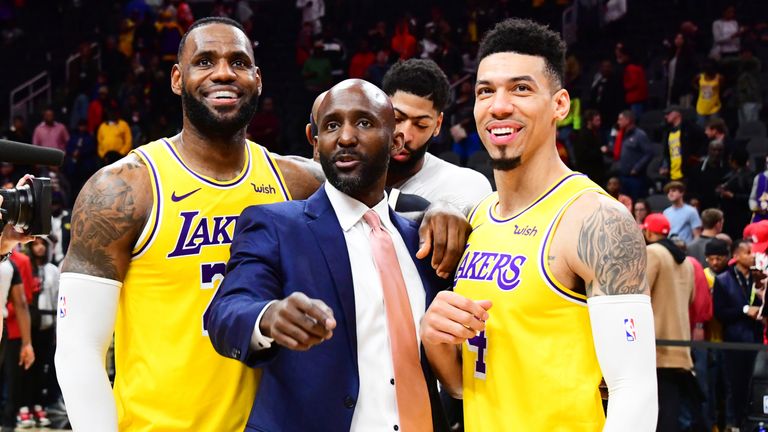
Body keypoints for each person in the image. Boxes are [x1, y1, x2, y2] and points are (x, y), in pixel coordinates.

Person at [55, 17, 464, 432]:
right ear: (178, 78)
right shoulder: (124, 188)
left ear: (258, 79)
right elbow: (78, 351)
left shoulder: (295, 181)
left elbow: (377, 197)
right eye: (205, 61)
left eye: (238, 62)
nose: (223, 73)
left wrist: (441, 207)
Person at [419, 19, 658, 431]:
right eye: (485, 91)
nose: (499, 106)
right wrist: (435, 339)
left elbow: (633, 391)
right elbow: (466, 386)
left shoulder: (596, 220)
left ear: (560, 105)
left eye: (521, 89)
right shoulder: (479, 218)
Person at [208, 78, 456, 432]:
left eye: (365, 123)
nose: (345, 138)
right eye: (332, 125)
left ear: (396, 141)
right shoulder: (276, 226)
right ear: (314, 142)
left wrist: (450, 209)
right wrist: (268, 316)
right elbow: (227, 310)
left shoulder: (424, 241)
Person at [382, 58, 492, 212]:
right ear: (379, 111)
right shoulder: (347, 172)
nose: (405, 136)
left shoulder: (465, 185)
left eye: (421, 125)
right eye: (397, 119)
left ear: (437, 125)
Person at [641, 214, 696, 431]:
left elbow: (639, 293)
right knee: (671, 409)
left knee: (656, 412)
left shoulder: (652, 252)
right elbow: (691, 300)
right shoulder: (687, 262)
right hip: (680, 346)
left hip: (656, 345)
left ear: (648, 232)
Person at [713, 239, 765, 430]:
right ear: (736, 256)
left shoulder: (758, 278)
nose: (753, 255)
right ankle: (731, 424)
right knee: (734, 386)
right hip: (734, 342)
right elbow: (719, 313)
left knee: (754, 385)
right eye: (748, 252)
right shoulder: (723, 280)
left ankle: (751, 423)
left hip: (756, 339)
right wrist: (744, 310)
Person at [659, 105, 707, 182]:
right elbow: (666, 153)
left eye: (668, 113)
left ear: (677, 114)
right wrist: (665, 166)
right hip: (672, 174)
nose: (666, 116)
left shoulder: (690, 128)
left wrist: (696, 157)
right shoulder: (668, 131)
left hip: (687, 173)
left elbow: (704, 140)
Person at [614, 110, 653, 200]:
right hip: (623, 176)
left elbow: (649, 153)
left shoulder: (640, 135)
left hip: (635, 178)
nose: (618, 122)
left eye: (620, 119)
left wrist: (637, 168)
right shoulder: (622, 135)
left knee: (636, 202)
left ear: (627, 120)